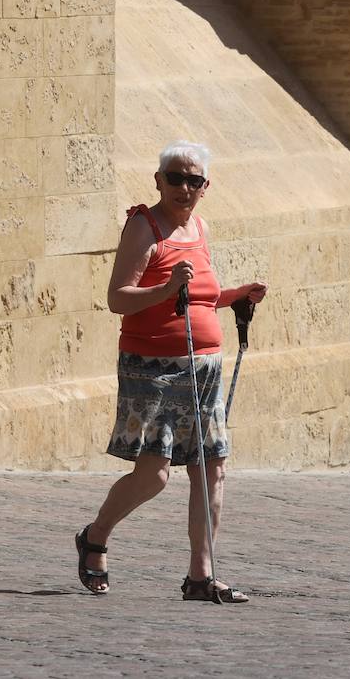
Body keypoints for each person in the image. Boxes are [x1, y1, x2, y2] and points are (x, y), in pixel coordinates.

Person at [75, 140, 266, 601]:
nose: (184, 187)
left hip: (204, 370)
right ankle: (95, 536)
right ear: (158, 180)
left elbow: (197, 298)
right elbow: (118, 298)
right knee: (154, 474)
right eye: (175, 178)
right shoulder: (144, 227)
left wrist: (236, 294)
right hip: (152, 369)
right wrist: (163, 289)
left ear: (205, 187)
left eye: (193, 180)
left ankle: (200, 576)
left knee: (211, 469)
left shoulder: (199, 227)